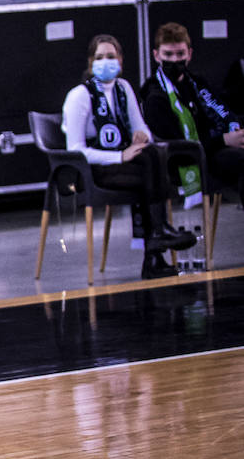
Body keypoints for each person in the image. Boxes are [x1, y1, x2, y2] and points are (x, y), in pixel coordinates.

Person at [61, 34, 197, 279]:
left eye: (111, 57)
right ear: (91, 63)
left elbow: (141, 127)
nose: (106, 62)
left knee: (152, 154)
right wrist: (120, 157)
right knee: (151, 168)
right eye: (100, 57)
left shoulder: (124, 88)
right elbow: (76, 150)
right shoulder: (79, 96)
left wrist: (140, 136)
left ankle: (156, 240)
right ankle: (156, 241)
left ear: (121, 61)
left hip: (125, 164)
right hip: (93, 169)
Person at [139, 23, 244, 201]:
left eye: (180, 54)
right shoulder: (154, 95)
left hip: (213, 149)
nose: (174, 60)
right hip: (185, 160)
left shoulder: (197, 83)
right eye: (168, 54)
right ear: (156, 55)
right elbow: (177, 145)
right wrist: (224, 140)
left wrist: (236, 131)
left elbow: (221, 112)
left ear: (189, 54)